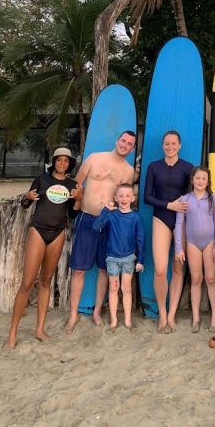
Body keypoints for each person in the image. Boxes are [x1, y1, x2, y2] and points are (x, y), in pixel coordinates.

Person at [5, 147, 81, 349]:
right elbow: (25, 204)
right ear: (54, 162)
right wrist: (27, 196)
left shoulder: (72, 185)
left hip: (57, 233)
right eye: (59, 160)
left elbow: (73, 215)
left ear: (69, 164)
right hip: (38, 230)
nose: (62, 163)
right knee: (27, 282)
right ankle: (12, 332)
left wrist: (79, 199)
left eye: (66, 160)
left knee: (46, 281)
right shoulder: (41, 179)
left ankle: (39, 329)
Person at [66, 130, 136, 332]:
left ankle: (97, 311)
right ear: (117, 140)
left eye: (129, 144)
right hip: (87, 218)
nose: (125, 145)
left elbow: (125, 198)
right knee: (79, 269)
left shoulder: (129, 171)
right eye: (123, 140)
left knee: (105, 270)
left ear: (132, 149)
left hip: (110, 223)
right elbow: (76, 185)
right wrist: (76, 205)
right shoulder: (94, 158)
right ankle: (73, 313)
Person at [144, 130, 193, 333]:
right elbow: (147, 197)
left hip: (181, 220)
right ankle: (162, 314)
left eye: (173, 143)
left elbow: (200, 191)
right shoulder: (153, 167)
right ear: (162, 145)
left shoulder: (188, 168)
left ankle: (172, 314)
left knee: (178, 268)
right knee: (161, 269)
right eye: (167, 144)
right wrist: (168, 205)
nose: (170, 147)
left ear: (179, 145)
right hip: (161, 218)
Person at [174, 165, 215, 332]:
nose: (201, 181)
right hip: (192, 243)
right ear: (192, 180)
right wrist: (178, 248)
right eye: (198, 178)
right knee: (196, 279)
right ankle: (196, 318)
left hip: (210, 243)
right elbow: (179, 224)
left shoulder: (213, 198)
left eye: (204, 178)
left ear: (208, 181)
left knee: (210, 278)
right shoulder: (185, 199)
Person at [92, 183, 144, 329]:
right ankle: (114, 320)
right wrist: (106, 210)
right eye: (121, 196)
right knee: (113, 288)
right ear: (115, 198)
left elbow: (140, 239)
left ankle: (127, 320)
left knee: (126, 289)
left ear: (133, 198)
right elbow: (96, 226)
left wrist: (141, 259)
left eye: (127, 196)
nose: (124, 199)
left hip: (129, 258)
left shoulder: (136, 217)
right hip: (112, 258)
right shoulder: (111, 215)